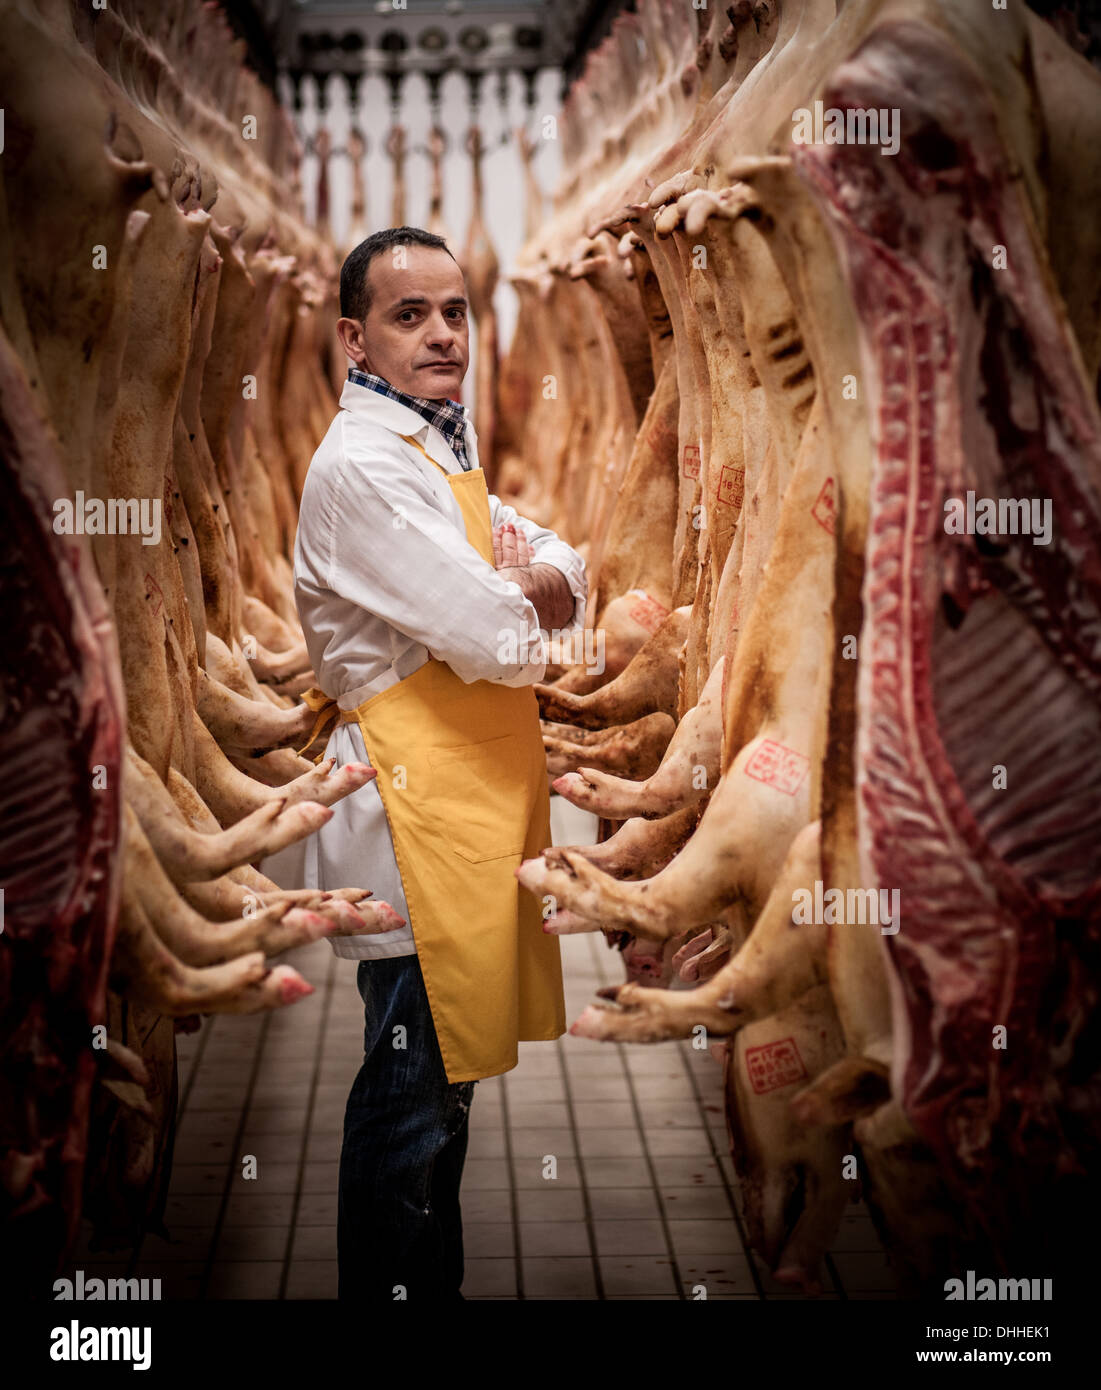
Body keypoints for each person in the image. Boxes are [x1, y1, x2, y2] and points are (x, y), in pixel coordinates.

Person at [290, 226, 587, 1301]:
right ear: (354, 338)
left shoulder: (434, 447)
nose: (443, 333)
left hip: (463, 809)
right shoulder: (365, 467)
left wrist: (539, 583)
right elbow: (498, 633)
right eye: (410, 315)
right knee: (410, 1093)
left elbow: (563, 557)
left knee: (445, 1092)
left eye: (456, 311)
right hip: (416, 818)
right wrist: (530, 596)